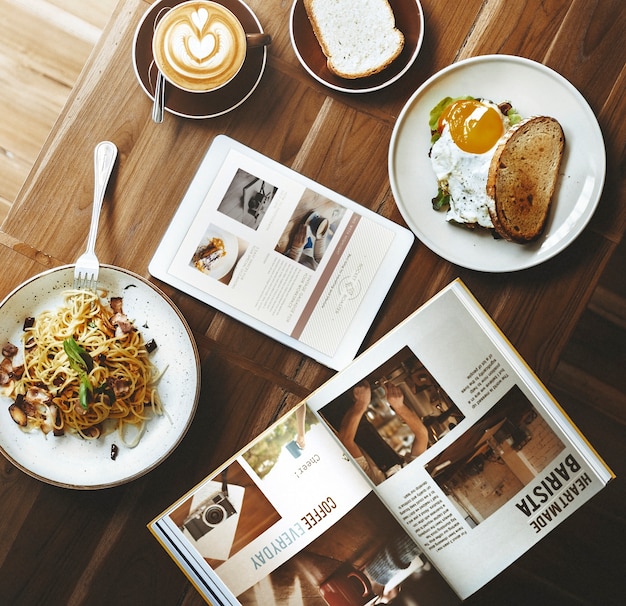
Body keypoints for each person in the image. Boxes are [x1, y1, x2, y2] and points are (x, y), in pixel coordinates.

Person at [338, 380, 429, 484]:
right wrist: (399, 406)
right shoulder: (413, 476)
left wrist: (361, 404)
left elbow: (345, 441)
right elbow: (422, 435)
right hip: (357, 413)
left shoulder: (376, 482)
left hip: (336, 419)